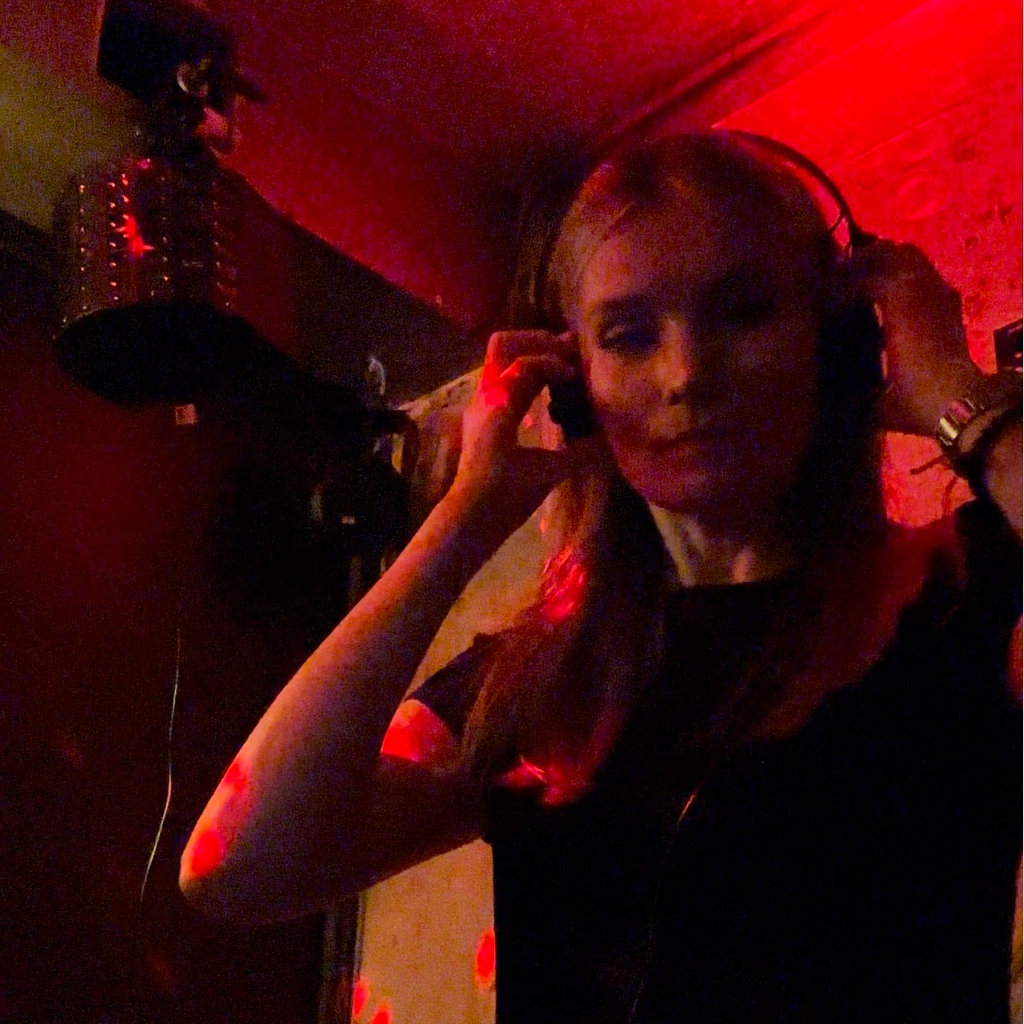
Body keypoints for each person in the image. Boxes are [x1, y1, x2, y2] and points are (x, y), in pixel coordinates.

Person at [180, 131, 1022, 1023]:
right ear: (576, 388)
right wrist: (467, 513)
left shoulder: (964, 591)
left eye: (742, 312)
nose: (686, 375)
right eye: (629, 336)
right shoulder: (537, 683)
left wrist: (958, 398)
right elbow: (237, 868)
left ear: (840, 343)